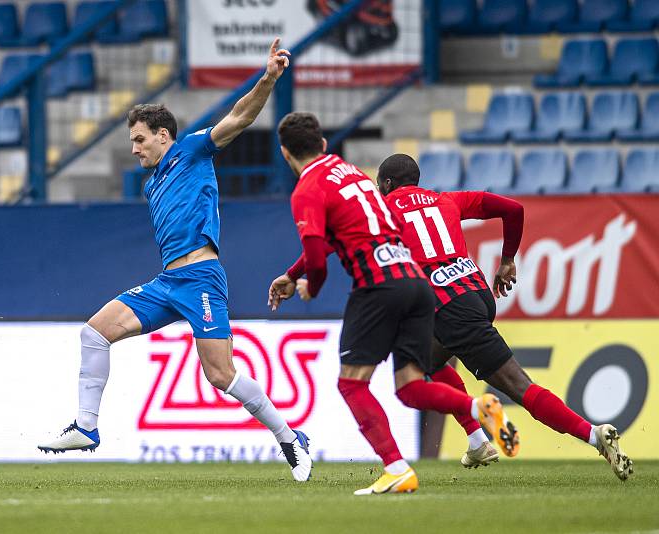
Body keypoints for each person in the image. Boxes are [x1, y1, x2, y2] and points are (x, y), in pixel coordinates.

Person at [38, 39, 313, 483]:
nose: (134, 149)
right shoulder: (151, 186)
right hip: (168, 282)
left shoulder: (193, 150)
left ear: (163, 136)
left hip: (202, 278)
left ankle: (289, 438)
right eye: (132, 141)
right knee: (94, 333)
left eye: (139, 139)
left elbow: (240, 116)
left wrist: (268, 79)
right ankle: (86, 428)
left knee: (221, 375)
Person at [267, 112, 514, 495]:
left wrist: (309, 287)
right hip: (418, 284)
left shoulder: (308, 189)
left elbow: (318, 254)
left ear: (284, 153)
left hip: (378, 286)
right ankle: (474, 412)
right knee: (410, 385)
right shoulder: (351, 173)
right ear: (323, 145)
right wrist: (295, 272)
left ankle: (398, 467)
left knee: (351, 383)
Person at [375, 153, 632, 481]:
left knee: (518, 386)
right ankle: (477, 439)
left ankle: (594, 435)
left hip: (450, 306)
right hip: (477, 292)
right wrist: (507, 259)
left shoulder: (382, 210)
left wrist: (296, 276)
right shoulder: (446, 200)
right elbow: (513, 209)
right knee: (426, 361)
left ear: (386, 184)